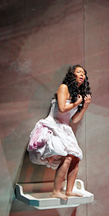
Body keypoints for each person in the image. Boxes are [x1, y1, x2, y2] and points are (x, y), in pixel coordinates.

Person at [27, 65, 92, 200]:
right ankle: (56, 191)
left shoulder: (77, 95)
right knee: (66, 157)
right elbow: (62, 109)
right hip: (53, 126)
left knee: (75, 158)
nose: (82, 74)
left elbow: (74, 119)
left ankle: (69, 190)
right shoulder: (64, 88)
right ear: (72, 75)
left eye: (84, 73)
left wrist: (84, 106)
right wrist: (76, 104)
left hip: (65, 128)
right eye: (79, 72)